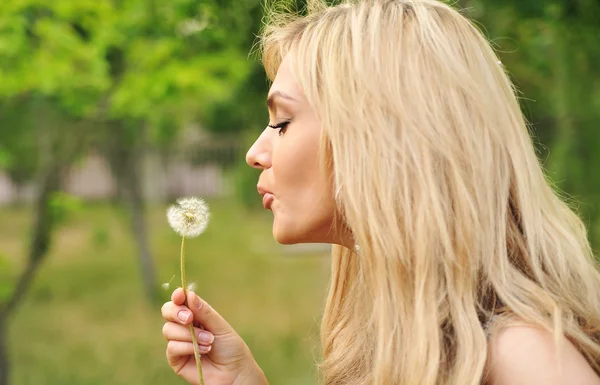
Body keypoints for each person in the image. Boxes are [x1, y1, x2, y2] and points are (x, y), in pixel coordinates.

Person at [160, 0, 600, 384]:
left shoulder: (526, 358)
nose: (256, 153)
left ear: (378, 138)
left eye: (281, 123)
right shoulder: (389, 335)